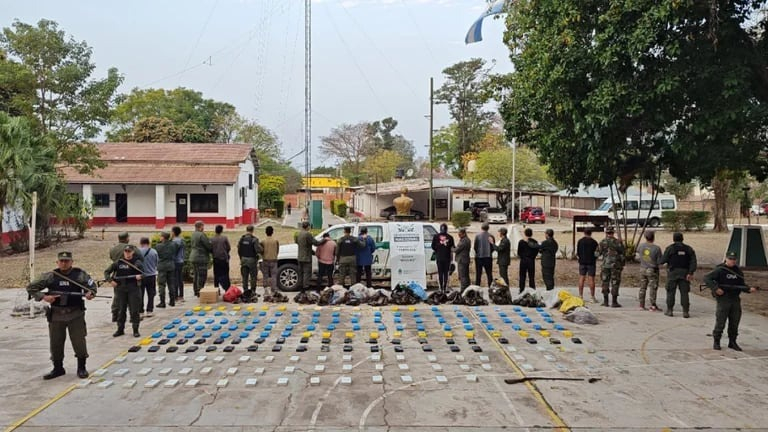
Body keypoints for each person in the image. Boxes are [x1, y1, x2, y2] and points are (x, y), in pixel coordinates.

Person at [27, 251, 96, 380]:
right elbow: (31, 287)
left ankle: (81, 367)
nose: (64, 263)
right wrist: (44, 297)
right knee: (56, 343)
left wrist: (90, 293)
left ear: (72, 262)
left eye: (67, 261)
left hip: (75, 314)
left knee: (79, 342)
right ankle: (58, 368)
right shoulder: (50, 276)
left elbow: (92, 286)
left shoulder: (79, 275)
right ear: (57, 262)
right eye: (61, 261)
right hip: (56, 315)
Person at [704, 251, 759, 350]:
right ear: (726, 259)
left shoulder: (738, 271)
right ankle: (717, 341)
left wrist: (749, 289)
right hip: (724, 298)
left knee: (735, 321)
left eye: (734, 259)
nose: (732, 261)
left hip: (735, 299)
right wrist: (715, 288)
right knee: (721, 321)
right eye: (730, 259)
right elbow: (707, 278)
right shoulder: (720, 270)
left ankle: (732, 342)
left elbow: (741, 285)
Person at [105, 246, 143, 337]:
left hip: (133, 288)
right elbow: (106, 272)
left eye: (129, 251)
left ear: (132, 252)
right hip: (120, 288)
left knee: (134, 310)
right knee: (121, 310)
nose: (127, 253)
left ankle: (135, 330)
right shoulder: (118, 263)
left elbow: (144, 273)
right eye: (126, 251)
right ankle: (120, 329)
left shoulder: (137, 262)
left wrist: (139, 276)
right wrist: (110, 281)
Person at [660, 232, 697, 318]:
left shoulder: (670, 248)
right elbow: (693, 262)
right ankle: (685, 312)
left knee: (670, 291)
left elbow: (663, 260)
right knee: (684, 292)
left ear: (673, 239)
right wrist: (690, 272)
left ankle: (669, 310)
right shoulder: (688, 249)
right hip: (685, 273)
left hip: (673, 273)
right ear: (682, 239)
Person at [108, 232, 141, 322]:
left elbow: (112, 258)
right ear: (127, 238)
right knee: (132, 298)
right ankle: (133, 316)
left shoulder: (113, 249)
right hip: (131, 275)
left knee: (117, 296)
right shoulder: (132, 248)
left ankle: (115, 314)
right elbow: (140, 257)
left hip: (117, 275)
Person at [597, 226, 625, 307]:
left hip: (605, 265)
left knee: (605, 282)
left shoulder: (602, 242)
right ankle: (614, 302)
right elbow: (623, 254)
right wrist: (622, 264)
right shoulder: (618, 242)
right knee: (615, 282)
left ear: (606, 233)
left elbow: (597, 254)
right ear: (613, 232)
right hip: (615, 266)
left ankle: (605, 301)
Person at [636, 230, 662, 311]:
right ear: (653, 237)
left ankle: (641, 305)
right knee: (653, 288)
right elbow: (659, 261)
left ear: (645, 237)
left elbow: (637, 256)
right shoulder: (656, 248)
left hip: (642, 268)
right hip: (652, 269)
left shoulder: (640, 246)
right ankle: (653, 305)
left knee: (642, 287)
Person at [296, 221, 325, 292]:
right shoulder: (307, 234)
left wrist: (312, 252)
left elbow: (304, 245)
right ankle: (305, 287)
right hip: (306, 257)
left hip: (300, 256)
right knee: (307, 273)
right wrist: (324, 240)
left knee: (301, 273)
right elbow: (316, 243)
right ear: (308, 226)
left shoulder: (299, 234)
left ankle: (300, 287)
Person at [237, 225, 262, 302]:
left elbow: (239, 249)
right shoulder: (254, 239)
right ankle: (252, 292)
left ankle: (245, 291)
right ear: (252, 230)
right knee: (253, 277)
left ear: (246, 230)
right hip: (252, 260)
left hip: (243, 260)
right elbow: (258, 250)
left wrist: (241, 258)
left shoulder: (242, 239)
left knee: (245, 277)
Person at [154, 232, 178, 308]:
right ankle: (172, 301)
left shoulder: (158, 246)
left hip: (162, 266)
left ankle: (162, 302)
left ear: (163, 237)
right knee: (171, 284)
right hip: (171, 265)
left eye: (161, 236)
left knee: (161, 284)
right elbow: (175, 247)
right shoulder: (173, 245)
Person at [189, 220, 212, 297]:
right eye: (203, 226)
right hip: (201, 257)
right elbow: (208, 245)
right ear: (200, 226)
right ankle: (200, 291)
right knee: (202, 275)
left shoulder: (193, 234)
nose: (203, 228)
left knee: (196, 275)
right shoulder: (201, 235)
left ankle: (196, 290)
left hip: (193, 257)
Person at [577, 228, 600, 302]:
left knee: (581, 278)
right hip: (591, 262)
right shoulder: (594, 242)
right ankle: (592, 297)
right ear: (591, 233)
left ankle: (580, 296)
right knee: (591, 279)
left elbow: (578, 252)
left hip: (582, 262)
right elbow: (597, 253)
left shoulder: (580, 241)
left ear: (584, 233)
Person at [431, 223, 455, 293]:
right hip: (447, 258)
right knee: (446, 273)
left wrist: (438, 250)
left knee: (440, 273)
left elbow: (432, 246)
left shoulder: (436, 236)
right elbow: (452, 247)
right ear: (446, 229)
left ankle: (441, 288)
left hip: (439, 257)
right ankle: (445, 288)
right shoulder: (450, 237)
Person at [138, 237, 158, 318]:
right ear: (149, 243)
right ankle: (150, 310)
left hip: (141, 276)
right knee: (151, 294)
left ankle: (140, 311)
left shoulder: (138, 252)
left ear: (141, 243)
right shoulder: (154, 251)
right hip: (151, 275)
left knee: (140, 294)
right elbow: (156, 262)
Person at [517, 228, 539, 293]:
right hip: (531, 260)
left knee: (522, 276)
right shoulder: (535, 242)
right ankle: (532, 289)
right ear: (531, 234)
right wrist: (533, 257)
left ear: (525, 233)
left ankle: (521, 289)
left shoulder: (521, 242)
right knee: (531, 276)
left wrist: (522, 256)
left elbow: (519, 252)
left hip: (523, 260)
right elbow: (536, 251)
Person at [260, 226, 280, 300]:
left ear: (266, 232)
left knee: (265, 275)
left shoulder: (263, 241)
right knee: (274, 276)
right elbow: (277, 250)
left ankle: (266, 291)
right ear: (272, 232)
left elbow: (260, 250)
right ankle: (273, 290)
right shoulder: (276, 241)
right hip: (274, 260)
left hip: (265, 260)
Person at [211, 225, 231, 292]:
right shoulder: (224, 238)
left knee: (216, 275)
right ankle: (227, 290)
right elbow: (228, 248)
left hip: (215, 259)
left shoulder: (212, 239)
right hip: (224, 259)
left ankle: (216, 289)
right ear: (221, 231)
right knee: (225, 274)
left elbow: (210, 249)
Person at [171, 226, 185, 303]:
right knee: (180, 279)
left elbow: (173, 252)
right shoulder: (181, 240)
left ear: (173, 232)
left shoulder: (174, 241)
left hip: (175, 261)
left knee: (175, 279)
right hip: (181, 261)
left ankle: (175, 296)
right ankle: (181, 295)